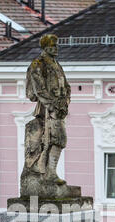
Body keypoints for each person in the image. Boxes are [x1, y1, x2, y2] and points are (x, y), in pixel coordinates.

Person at [24, 34, 71, 185]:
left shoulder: (57, 64)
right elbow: (39, 90)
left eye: (56, 45)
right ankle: (48, 172)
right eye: (53, 45)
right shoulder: (38, 64)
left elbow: (66, 85)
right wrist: (52, 105)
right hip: (47, 109)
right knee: (52, 139)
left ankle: (51, 172)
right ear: (45, 47)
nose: (56, 48)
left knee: (59, 139)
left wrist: (65, 101)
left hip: (59, 107)